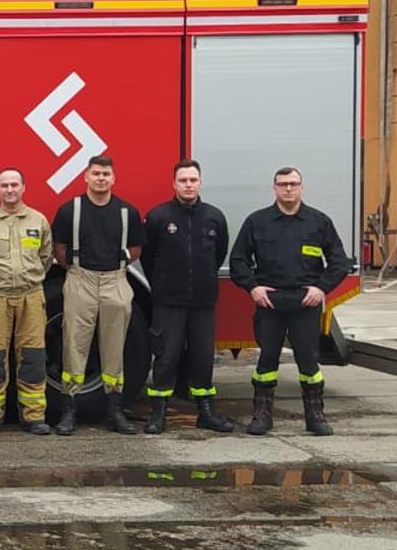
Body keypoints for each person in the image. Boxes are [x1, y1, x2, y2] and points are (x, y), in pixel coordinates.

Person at [230, 167, 354, 437]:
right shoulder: (257, 222)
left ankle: (315, 415)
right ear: (274, 188)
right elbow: (238, 261)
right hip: (270, 304)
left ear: (302, 187)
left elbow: (339, 262)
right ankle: (262, 415)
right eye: (283, 184)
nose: (288, 188)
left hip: (305, 304)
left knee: (308, 361)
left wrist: (321, 289)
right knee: (267, 361)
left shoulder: (318, 222)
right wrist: (252, 288)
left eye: (293, 183)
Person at [140, 159, 235, 434]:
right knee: (166, 357)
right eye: (183, 180)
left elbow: (219, 254)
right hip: (168, 302)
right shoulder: (159, 217)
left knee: (202, 358)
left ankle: (206, 412)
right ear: (174, 184)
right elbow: (148, 257)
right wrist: (162, 284)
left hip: (203, 302)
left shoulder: (214, 217)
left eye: (193, 180)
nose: (188, 185)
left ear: (200, 182)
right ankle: (158, 414)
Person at [52, 156, 143, 436]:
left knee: (114, 348)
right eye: (96, 173)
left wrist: (115, 266)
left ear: (113, 178)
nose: (101, 178)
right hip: (81, 279)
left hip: (116, 280)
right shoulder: (70, 210)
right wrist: (77, 271)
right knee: (74, 345)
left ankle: (114, 411)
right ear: (86, 177)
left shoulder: (128, 211)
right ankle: (69, 411)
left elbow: (136, 248)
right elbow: (59, 247)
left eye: (106, 174)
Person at [0, 168, 54, 436]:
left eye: (14, 184)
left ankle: (34, 416)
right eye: (4, 185)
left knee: (32, 356)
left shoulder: (38, 221)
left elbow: (46, 257)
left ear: (23, 187)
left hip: (31, 295)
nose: (9, 190)